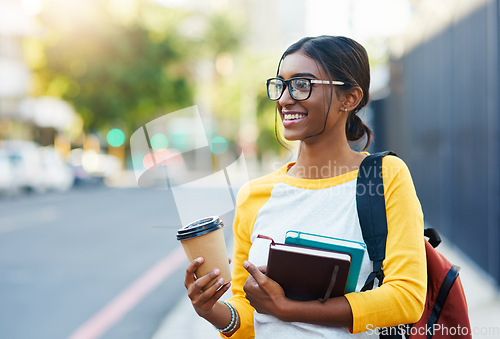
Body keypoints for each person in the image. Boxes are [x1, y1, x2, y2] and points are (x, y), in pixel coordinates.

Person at [183, 35, 427, 338]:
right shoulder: (255, 195)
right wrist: (211, 311)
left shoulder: (385, 177)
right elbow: (249, 317)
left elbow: (406, 297)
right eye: (281, 85)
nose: (285, 98)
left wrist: (290, 309)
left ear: (349, 98)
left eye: (302, 84)